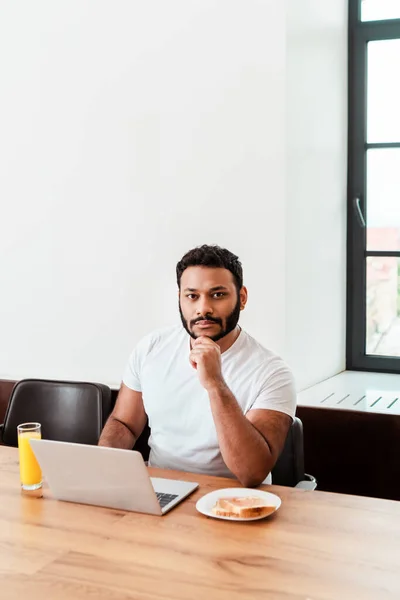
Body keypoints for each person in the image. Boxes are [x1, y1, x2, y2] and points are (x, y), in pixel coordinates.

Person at [99, 245, 296, 487]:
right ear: (180, 299)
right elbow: (124, 424)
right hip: (158, 491)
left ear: (242, 298)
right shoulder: (151, 348)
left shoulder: (273, 373)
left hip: (231, 502)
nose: (203, 308)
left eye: (218, 294)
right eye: (192, 296)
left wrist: (215, 384)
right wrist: (105, 468)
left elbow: (252, 472)